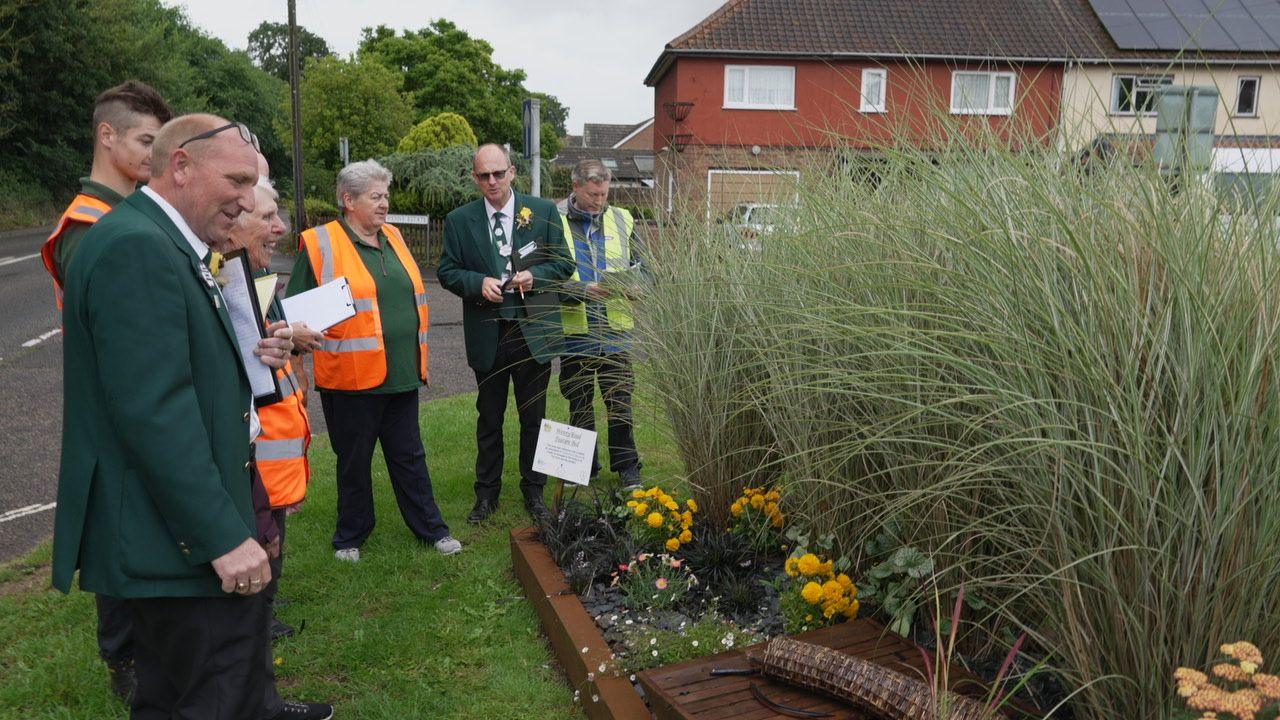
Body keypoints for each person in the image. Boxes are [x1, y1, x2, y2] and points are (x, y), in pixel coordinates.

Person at [50, 113, 319, 719]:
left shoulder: (164, 241)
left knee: (183, 695)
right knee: (211, 696)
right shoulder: (137, 247)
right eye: (239, 181)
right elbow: (155, 412)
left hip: (176, 533)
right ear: (181, 167)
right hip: (178, 543)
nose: (249, 201)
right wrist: (223, 535)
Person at [38, 79, 172, 704]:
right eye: (146, 140)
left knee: (141, 522)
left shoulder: (127, 215)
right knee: (117, 526)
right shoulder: (87, 226)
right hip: (113, 404)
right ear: (107, 136)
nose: (154, 153)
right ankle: (125, 660)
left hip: (134, 397)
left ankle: (148, 646)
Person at [287, 159, 460, 562]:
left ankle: (432, 530)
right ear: (348, 200)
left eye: (386, 195)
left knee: (410, 458)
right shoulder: (320, 242)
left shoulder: (394, 236)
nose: (384, 204)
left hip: (400, 375)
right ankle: (350, 536)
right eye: (375, 197)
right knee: (353, 462)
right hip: (350, 380)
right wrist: (296, 356)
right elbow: (294, 312)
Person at [220, 163, 332, 720]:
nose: (279, 227)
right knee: (244, 595)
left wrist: (283, 338)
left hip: (270, 467)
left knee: (259, 593)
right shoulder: (223, 280)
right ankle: (255, 703)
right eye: (267, 216)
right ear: (235, 221)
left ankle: (256, 696)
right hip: (251, 468)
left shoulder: (245, 276)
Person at [437, 144, 575, 523]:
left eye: (498, 173)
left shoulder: (542, 211)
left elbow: (564, 262)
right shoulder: (459, 220)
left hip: (533, 331)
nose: (492, 181)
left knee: (534, 417)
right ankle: (486, 495)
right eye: (484, 175)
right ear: (474, 178)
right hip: (489, 331)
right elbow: (447, 271)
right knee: (489, 417)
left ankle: (534, 491)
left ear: (512, 172)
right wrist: (477, 281)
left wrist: (536, 275)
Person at [555, 159, 645, 488]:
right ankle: (581, 469)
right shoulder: (556, 221)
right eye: (593, 194)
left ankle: (627, 468)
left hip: (616, 331)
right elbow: (547, 279)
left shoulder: (622, 219)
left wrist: (639, 286)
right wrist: (582, 289)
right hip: (576, 330)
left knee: (620, 399)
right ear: (576, 187)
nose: (599, 201)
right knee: (579, 401)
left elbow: (643, 266)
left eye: (604, 194)